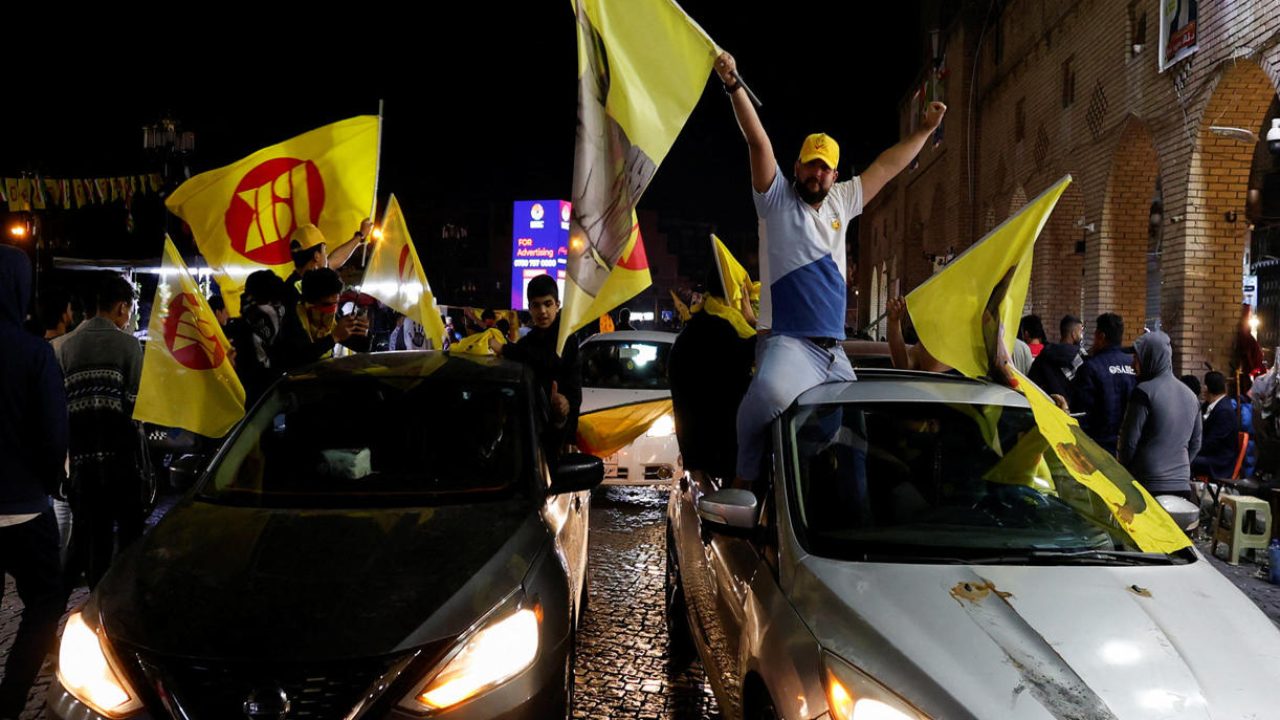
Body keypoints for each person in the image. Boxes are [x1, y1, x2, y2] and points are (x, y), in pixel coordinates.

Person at [715, 50, 946, 488]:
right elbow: (758, 141)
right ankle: (744, 478)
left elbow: (889, 165)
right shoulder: (775, 199)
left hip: (833, 351)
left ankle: (855, 513)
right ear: (797, 166)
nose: (817, 174)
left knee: (853, 432)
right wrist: (733, 85)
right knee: (765, 396)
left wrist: (925, 130)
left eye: (825, 167)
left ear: (834, 173)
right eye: (810, 165)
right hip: (788, 344)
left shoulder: (843, 199)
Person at [0, 246, 69, 718]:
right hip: (24, 506)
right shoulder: (32, 352)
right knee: (45, 602)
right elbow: (52, 432)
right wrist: (53, 484)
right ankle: (8, 702)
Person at [55, 273, 146, 590]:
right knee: (131, 539)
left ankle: (95, 607)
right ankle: (122, 608)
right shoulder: (129, 346)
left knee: (93, 542)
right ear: (122, 306)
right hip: (121, 463)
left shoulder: (61, 348)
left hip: (81, 464)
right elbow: (136, 407)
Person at [669, 271, 758, 480]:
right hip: (728, 459)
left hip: (702, 461)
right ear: (734, 294)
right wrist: (753, 322)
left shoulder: (689, 335)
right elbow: (768, 352)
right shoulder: (728, 332)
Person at [492, 274, 582, 455]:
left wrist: (566, 411)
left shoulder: (567, 339)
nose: (542, 311)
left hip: (558, 437)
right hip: (527, 436)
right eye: (536, 305)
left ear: (557, 304)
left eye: (547, 304)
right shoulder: (527, 342)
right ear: (529, 308)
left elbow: (571, 387)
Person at [1118, 330, 1201, 501]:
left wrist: (1126, 472)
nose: (1133, 365)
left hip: (1148, 483)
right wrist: (1180, 469)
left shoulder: (1143, 392)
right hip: (1182, 485)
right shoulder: (1191, 396)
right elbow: (1195, 444)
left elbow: (1129, 442)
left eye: (1136, 358)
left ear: (1150, 357)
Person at [271, 268, 368, 373]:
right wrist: (334, 337)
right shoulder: (291, 319)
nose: (332, 310)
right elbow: (299, 358)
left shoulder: (334, 317)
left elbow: (361, 346)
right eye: (327, 305)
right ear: (310, 302)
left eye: (336, 303)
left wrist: (364, 332)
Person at [1069, 313, 1136, 454]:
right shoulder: (1134, 365)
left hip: (1098, 448)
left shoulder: (1091, 368)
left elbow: (1081, 414)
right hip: (1129, 448)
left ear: (1101, 336)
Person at [1191, 371, 1241, 479]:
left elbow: (1212, 443)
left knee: (1185, 461)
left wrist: (1191, 450)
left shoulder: (1224, 411)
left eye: (1204, 385)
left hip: (1219, 462)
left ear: (1208, 388)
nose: (1203, 388)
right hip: (1209, 455)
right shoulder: (1210, 405)